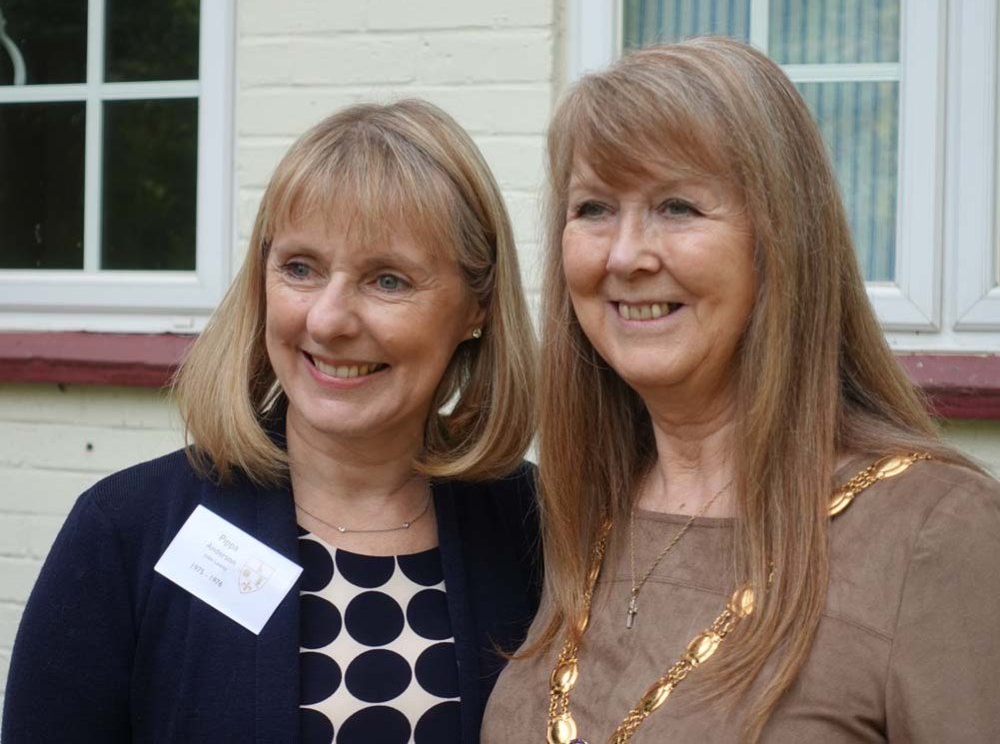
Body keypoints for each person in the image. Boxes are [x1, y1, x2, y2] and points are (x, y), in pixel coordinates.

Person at [481, 37, 1000, 743]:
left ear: (781, 238)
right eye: (595, 208)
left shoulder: (932, 531)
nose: (627, 254)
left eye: (678, 207)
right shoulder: (585, 511)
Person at [3, 99, 541, 744]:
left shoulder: (541, 530)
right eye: (300, 269)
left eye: (388, 280)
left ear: (475, 307)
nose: (327, 320)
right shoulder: (130, 530)